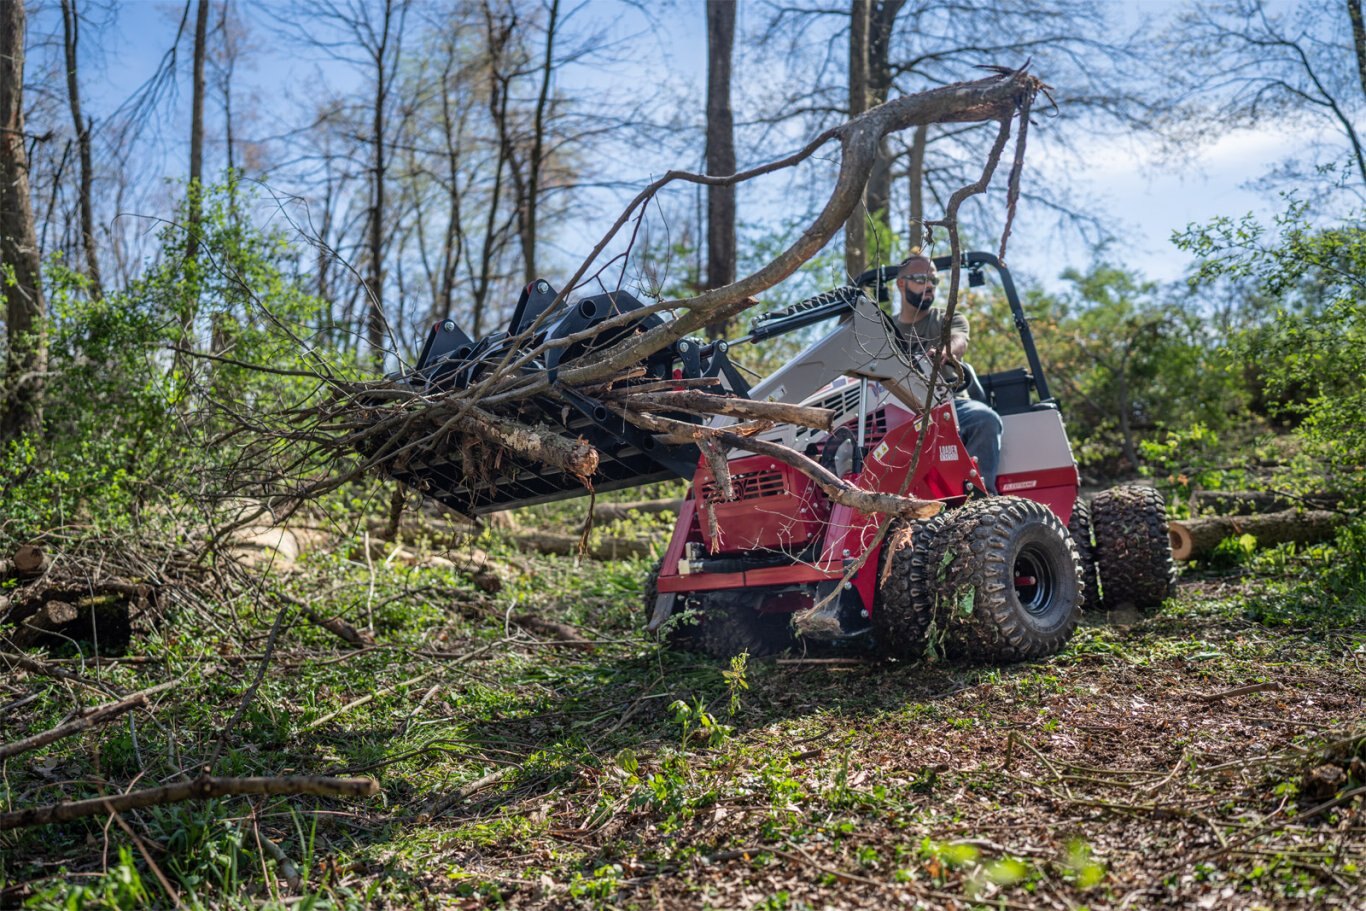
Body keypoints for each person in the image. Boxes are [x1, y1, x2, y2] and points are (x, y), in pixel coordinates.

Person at [891, 253, 1002, 495]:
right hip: (902, 413)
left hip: (948, 406)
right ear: (901, 283)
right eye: (921, 279)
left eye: (934, 280)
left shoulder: (946, 319)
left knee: (985, 419)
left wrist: (946, 349)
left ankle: (982, 502)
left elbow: (959, 339)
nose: (929, 285)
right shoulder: (885, 331)